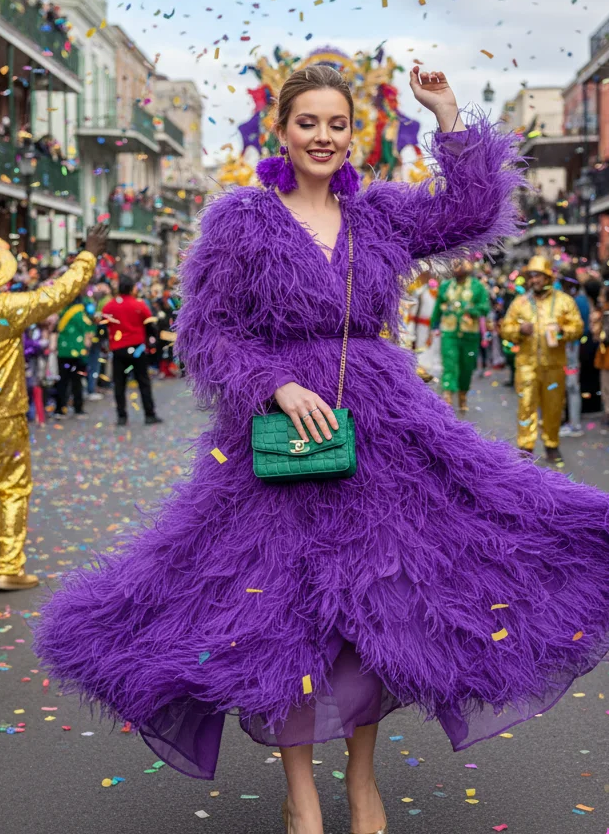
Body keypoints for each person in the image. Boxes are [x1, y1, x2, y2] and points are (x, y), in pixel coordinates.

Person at [34, 67, 609, 834]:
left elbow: (471, 209)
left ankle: (362, 782)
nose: (323, 137)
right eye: (308, 122)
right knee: (284, 615)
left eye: (336, 124)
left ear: (352, 132)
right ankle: (302, 797)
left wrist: (444, 115)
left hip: (383, 435)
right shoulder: (241, 219)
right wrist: (273, 385)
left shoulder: (377, 214)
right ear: (282, 130)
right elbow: (205, 331)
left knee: (374, 609)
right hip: (277, 442)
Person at [0, 225, 107, 590]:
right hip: (5, 415)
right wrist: (88, 253)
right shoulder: (8, 309)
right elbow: (59, 292)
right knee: (12, 486)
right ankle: (9, 567)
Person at [500, 256, 583, 462]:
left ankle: (551, 445)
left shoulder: (564, 301)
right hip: (526, 364)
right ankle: (526, 447)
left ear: (547, 277)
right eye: (530, 276)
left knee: (553, 407)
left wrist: (562, 331)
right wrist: (519, 329)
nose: (533, 280)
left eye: (536, 276)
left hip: (554, 365)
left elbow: (579, 327)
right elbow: (505, 328)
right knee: (526, 405)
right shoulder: (520, 303)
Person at [430, 258, 491, 411]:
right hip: (449, 332)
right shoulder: (445, 286)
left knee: (466, 366)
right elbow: (437, 308)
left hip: (470, 334)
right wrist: (432, 328)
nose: (456, 266)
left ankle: (463, 396)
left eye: (460, 263)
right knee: (449, 363)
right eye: (454, 263)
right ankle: (448, 397)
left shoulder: (478, 287)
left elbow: (484, 308)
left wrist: (470, 310)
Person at [102, 275, 162, 427]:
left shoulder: (109, 306)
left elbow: (103, 325)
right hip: (137, 348)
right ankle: (149, 414)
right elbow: (149, 325)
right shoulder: (139, 304)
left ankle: (122, 416)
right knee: (143, 382)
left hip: (118, 349)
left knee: (119, 385)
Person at [54, 295, 94, 420]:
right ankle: (78, 408)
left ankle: (60, 409)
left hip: (63, 350)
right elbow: (89, 331)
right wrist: (87, 347)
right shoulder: (81, 313)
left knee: (62, 381)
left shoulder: (62, 312)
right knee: (77, 380)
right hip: (77, 351)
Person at [590, 282, 609, 425]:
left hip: (607, 356)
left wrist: (598, 331)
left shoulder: (606, 313)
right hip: (605, 355)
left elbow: (604, 336)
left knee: (606, 386)